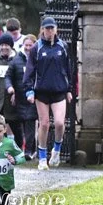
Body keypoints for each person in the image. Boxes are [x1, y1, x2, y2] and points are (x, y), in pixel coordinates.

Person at [24, 17, 71, 171]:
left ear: (56, 29)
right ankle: (42, 157)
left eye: (52, 28)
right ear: (42, 29)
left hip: (59, 91)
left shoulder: (62, 46)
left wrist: (70, 89)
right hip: (41, 92)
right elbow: (29, 71)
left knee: (59, 123)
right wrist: (29, 91)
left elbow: (69, 69)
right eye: (47, 28)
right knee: (44, 124)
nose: (50, 31)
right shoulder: (36, 48)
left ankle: (56, 150)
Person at [6, 34, 38, 159]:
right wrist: (10, 88)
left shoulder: (38, 59)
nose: (28, 48)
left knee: (30, 122)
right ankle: (27, 148)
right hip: (19, 97)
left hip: (33, 96)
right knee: (22, 124)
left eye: (31, 45)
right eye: (26, 45)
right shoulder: (16, 60)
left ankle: (28, 151)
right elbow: (8, 75)